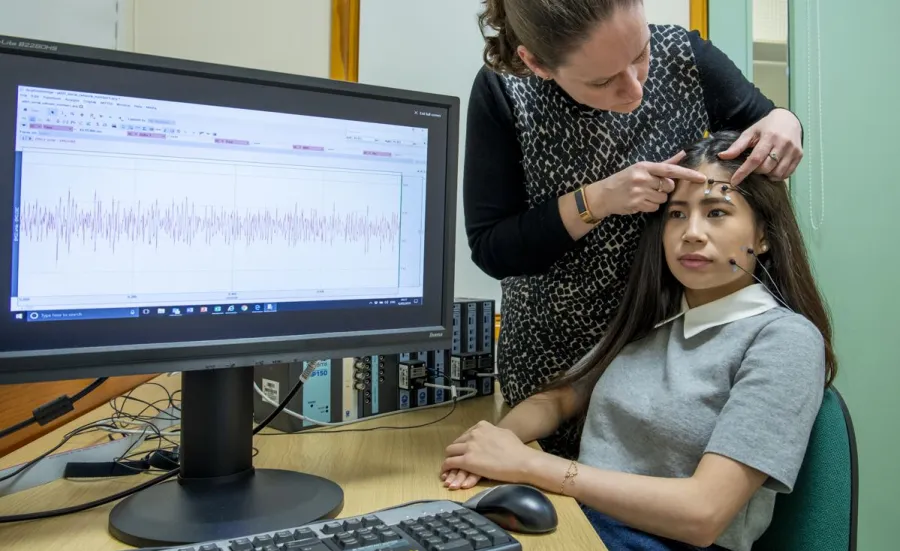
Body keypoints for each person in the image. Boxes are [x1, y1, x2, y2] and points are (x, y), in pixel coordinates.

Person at [442, 131, 835, 551]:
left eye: (717, 212)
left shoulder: (784, 340)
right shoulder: (657, 319)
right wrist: (493, 445)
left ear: (764, 236)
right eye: (677, 214)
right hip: (578, 520)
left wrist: (529, 465)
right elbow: (559, 399)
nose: (692, 233)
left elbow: (703, 515)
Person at [465, 0, 805, 459]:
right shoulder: (506, 92)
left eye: (641, 55)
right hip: (556, 370)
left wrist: (786, 119)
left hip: (671, 360)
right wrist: (597, 200)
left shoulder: (686, 57)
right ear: (537, 63)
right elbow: (493, 249)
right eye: (603, 81)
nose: (635, 90)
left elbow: (761, 150)